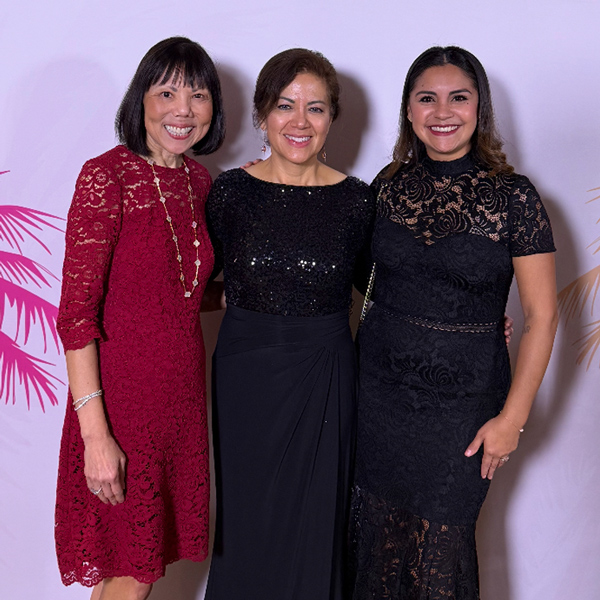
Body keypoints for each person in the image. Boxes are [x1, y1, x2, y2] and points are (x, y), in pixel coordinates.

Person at [350, 46, 558, 599]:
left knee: (439, 551)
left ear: (479, 107)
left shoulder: (514, 197)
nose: (442, 112)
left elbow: (542, 317)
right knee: (374, 541)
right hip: (377, 398)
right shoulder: (387, 185)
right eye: (427, 98)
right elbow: (360, 279)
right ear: (409, 110)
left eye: (458, 97)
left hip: (465, 406)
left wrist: (512, 418)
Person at [54, 37, 225, 600]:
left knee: (132, 570)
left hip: (179, 407)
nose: (184, 110)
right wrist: (95, 434)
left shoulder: (200, 182)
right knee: (133, 575)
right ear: (141, 100)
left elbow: (182, 293)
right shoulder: (107, 177)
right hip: (121, 408)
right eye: (167, 93)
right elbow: (76, 315)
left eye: (198, 95)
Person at [204, 48, 374, 600]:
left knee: (316, 529)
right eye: (285, 105)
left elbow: (384, 291)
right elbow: (192, 285)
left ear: (332, 118)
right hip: (245, 380)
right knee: (246, 529)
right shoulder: (229, 192)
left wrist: (468, 319)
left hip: (326, 377)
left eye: (315, 108)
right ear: (261, 114)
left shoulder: (357, 201)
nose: (300, 121)